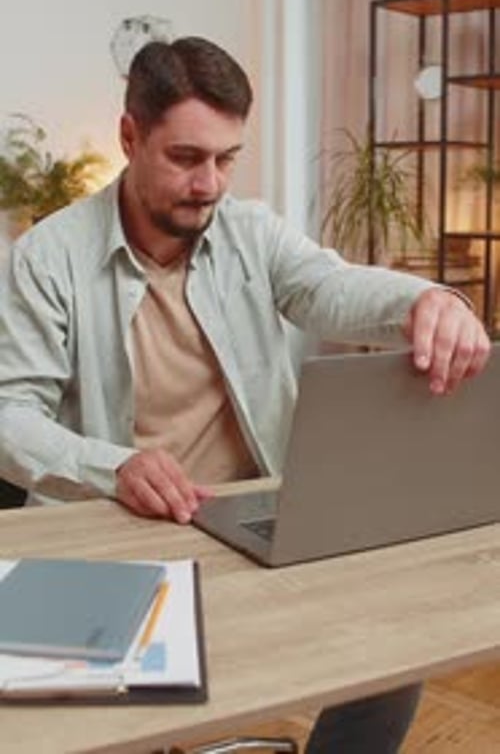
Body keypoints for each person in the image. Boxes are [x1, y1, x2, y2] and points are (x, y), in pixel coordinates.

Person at [0, 38, 490, 753]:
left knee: (399, 647)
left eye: (227, 159)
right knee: (68, 721)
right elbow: (10, 416)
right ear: (130, 137)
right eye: (186, 157)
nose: (210, 184)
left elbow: (328, 285)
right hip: (107, 531)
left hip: (249, 520)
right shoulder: (48, 258)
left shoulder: (250, 231)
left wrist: (426, 300)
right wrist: (115, 467)